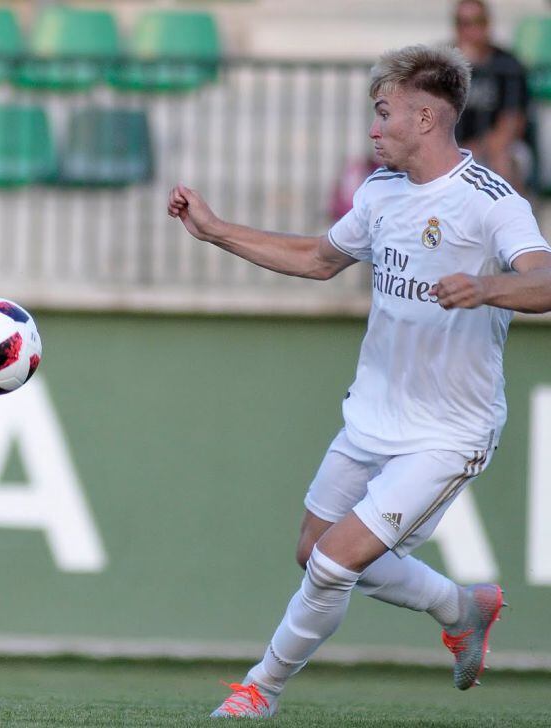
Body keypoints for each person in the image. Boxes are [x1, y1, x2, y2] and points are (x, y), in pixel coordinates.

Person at [167, 44, 551, 718]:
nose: (372, 129)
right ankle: (461, 608)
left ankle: (261, 689)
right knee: (313, 551)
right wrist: (216, 230)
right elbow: (318, 260)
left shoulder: (491, 201)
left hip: (448, 429)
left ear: (426, 118)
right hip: (372, 415)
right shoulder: (380, 194)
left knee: (336, 561)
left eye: (383, 114)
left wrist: (488, 286)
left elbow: (546, 278)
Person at [452, 0, 531, 193]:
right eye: (463, 23)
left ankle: (513, 219)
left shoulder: (507, 65)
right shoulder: (444, 65)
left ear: (488, 24)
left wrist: (474, 150)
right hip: (451, 148)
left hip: (498, 148)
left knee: (502, 158)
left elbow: (511, 126)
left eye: (478, 22)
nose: (471, 30)